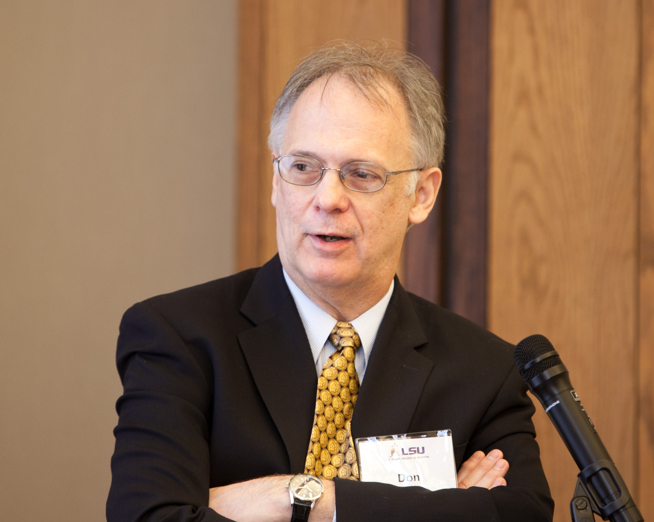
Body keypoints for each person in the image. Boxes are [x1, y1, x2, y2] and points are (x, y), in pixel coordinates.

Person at [107, 42, 553, 522]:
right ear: (276, 180)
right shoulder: (179, 338)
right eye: (303, 168)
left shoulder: (483, 371)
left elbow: (521, 515)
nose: (328, 198)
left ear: (421, 195)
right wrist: (439, 508)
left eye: (361, 174)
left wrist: (299, 499)